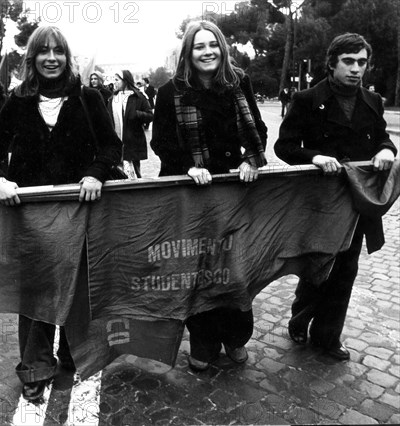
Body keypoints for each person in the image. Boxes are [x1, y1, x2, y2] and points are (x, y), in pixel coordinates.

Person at [0, 26, 122, 401]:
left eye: (58, 51)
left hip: (83, 215)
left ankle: (72, 356)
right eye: (44, 51)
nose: (52, 57)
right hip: (32, 220)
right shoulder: (17, 100)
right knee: (37, 293)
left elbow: (111, 147)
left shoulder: (89, 98)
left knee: (78, 290)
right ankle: (35, 367)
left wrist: (96, 172)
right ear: (33, 58)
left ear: (67, 56)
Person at [150, 21, 268, 371]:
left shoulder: (238, 81)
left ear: (222, 48)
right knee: (197, 270)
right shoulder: (170, 91)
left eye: (212, 45)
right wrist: (187, 165)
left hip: (233, 194)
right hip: (190, 195)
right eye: (199, 47)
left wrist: (251, 157)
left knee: (234, 266)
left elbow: (257, 128)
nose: (207, 52)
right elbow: (162, 141)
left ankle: (235, 337)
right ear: (188, 52)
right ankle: (203, 340)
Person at [274, 33, 396, 361]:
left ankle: (328, 337)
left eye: (361, 62)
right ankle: (300, 318)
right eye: (348, 61)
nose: (356, 69)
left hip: (356, 203)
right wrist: (313, 157)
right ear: (332, 63)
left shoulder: (372, 102)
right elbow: (284, 146)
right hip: (318, 200)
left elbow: (383, 138)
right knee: (317, 265)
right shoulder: (307, 99)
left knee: (346, 269)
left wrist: (385, 149)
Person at [108, 70, 153, 178]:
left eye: (117, 80)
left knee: (134, 176)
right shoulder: (112, 99)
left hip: (132, 142)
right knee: (117, 175)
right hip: (116, 143)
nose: (114, 82)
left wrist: (137, 114)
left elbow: (150, 115)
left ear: (125, 81)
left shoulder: (138, 96)